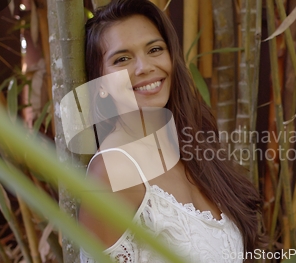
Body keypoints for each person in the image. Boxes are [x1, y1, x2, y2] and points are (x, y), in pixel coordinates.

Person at [79, 0, 263, 262]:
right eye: (122, 58)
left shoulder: (189, 147)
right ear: (101, 84)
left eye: (154, 49)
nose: (144, 67)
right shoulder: (113, 170)